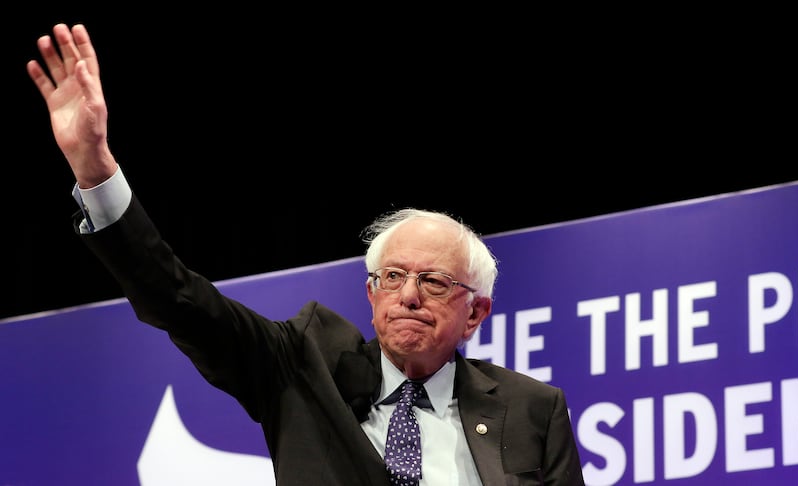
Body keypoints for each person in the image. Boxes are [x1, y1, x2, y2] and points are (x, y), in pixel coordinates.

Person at [27, 23, 585, 486]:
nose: (408, 296)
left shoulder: (531, 409)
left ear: (477, 312)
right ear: (371, 295)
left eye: (435, 282)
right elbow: (177, 298)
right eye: (392, 277)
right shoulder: (301, 366)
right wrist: (96, 168)